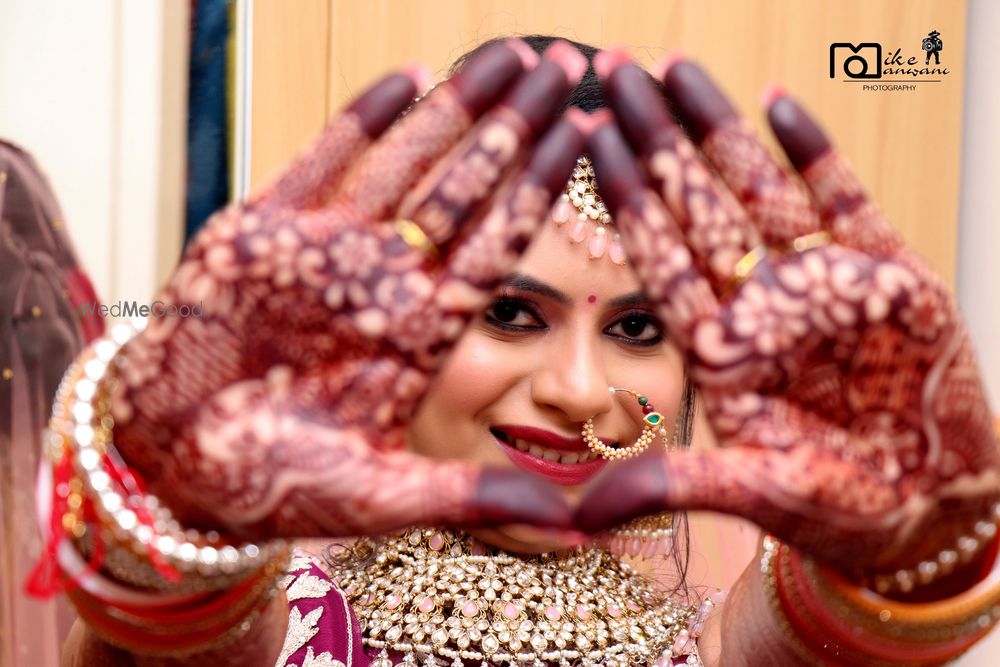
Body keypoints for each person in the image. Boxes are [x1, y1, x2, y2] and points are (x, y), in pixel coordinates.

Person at [48, 35, 1000, 667]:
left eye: (637, 328)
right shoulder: (275, 625)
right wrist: (183, 501)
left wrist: (914, 531)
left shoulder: (721, 649)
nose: (579, 389)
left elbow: (829, 630)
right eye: (509, 312)